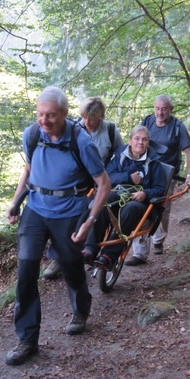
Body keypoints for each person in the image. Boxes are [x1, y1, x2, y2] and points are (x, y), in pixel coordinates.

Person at [4, 86, 111, 367]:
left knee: (70, 263)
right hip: (36, 209)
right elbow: (28, 170)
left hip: (69, 211)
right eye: (40, 114)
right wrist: (15, 202)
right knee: (26, 268)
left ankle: (80, 309)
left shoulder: (81, 141)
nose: (44, 120)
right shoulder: (32, 134)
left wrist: (89, 221)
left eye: (51, 115)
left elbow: (103, 184)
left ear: (64, 114)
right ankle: (27, 339)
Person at [43, 96, 124, 280]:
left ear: (101, 117)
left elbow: (120, 156)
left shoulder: (110, 131)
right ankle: (57, 258)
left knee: (93, 213)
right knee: (64, 217)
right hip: (75, 182)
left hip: (100, 181)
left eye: (93, 118)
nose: (88, 122)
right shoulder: (72, 129)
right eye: (85, 117)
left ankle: (89, 251)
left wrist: (111, 177)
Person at [82, 125, 167, 269]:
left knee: (130, 208)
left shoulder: (154, 163)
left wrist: (145, 194)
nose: (140, 142)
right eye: (137, 139)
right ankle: (90, 249)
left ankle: (109, 255)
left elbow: (160, 189)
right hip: (118, 195)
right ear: (130, 141)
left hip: (141, 204)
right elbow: (107, 177)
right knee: (104, 203)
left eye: (144, 140)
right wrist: (128, 178)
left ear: (148, 143)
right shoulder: (119, 156)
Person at [126, 94, 190, 265]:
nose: (160, 112)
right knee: (140, 207)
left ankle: (158, 239)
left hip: (166, 175)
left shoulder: (178, 127)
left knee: (162, 209)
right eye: (157, 108)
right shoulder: (148, 121)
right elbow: (137, 142)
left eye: (164, 108)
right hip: (145, 171)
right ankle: (140, 253)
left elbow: (188, 152)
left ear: (170, 109)